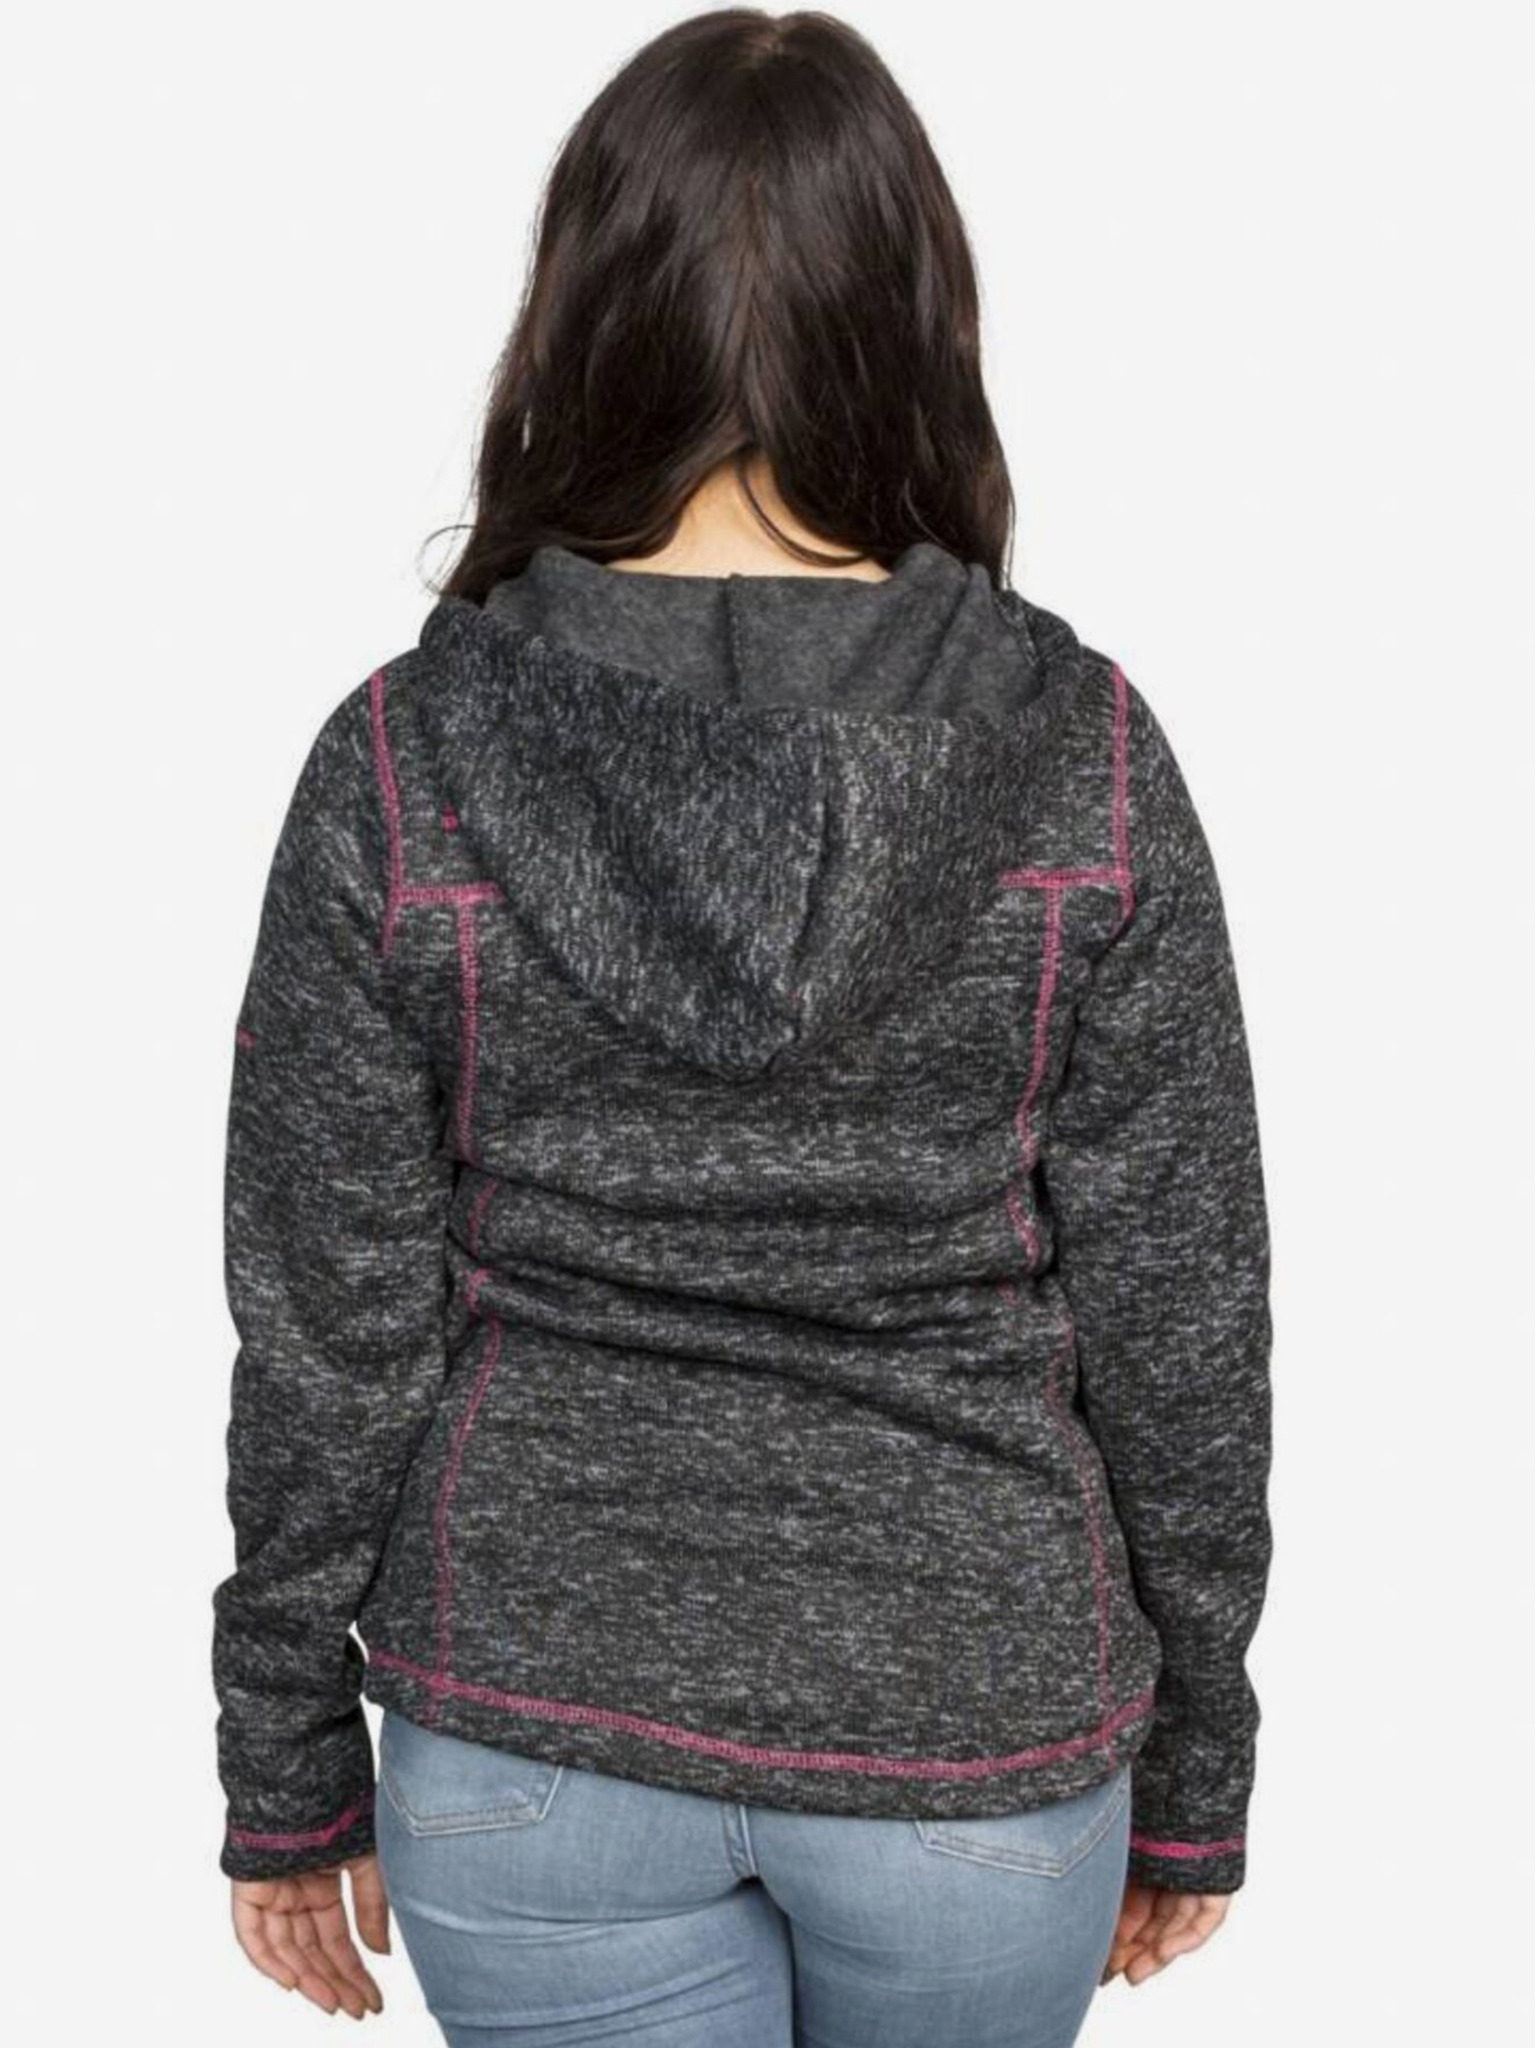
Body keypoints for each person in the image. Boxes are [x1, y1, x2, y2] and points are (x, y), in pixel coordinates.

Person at [211, 10, 1274, 2045]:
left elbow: (328, 1324)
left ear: (583, 313)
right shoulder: (1086, 753)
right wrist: (1200, 1765)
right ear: (917, 317)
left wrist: (283, 1762)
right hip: (978, 1729)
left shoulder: (406, 758)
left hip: (530, 1728)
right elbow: (1184, 1322)